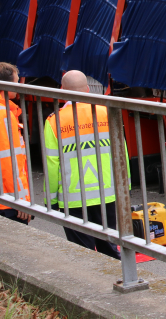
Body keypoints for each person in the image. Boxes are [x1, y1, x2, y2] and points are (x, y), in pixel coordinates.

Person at [45, 70, 126, 257]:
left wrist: (51, 200)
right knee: (110, 249)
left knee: (83, 254)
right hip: (106, 195)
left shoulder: (54, 121)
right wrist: (124, 186)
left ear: (62, 91)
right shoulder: (107, 113)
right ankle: (118, 281)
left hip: (74, 199)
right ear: (88, 90)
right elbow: (121, 152)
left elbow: (51, 164)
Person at [0, 63, 30, 225]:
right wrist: (20, 199)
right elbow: (8, 161)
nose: (19, 85)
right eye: (16, 81)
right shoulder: (4, 114)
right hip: (7, 202)